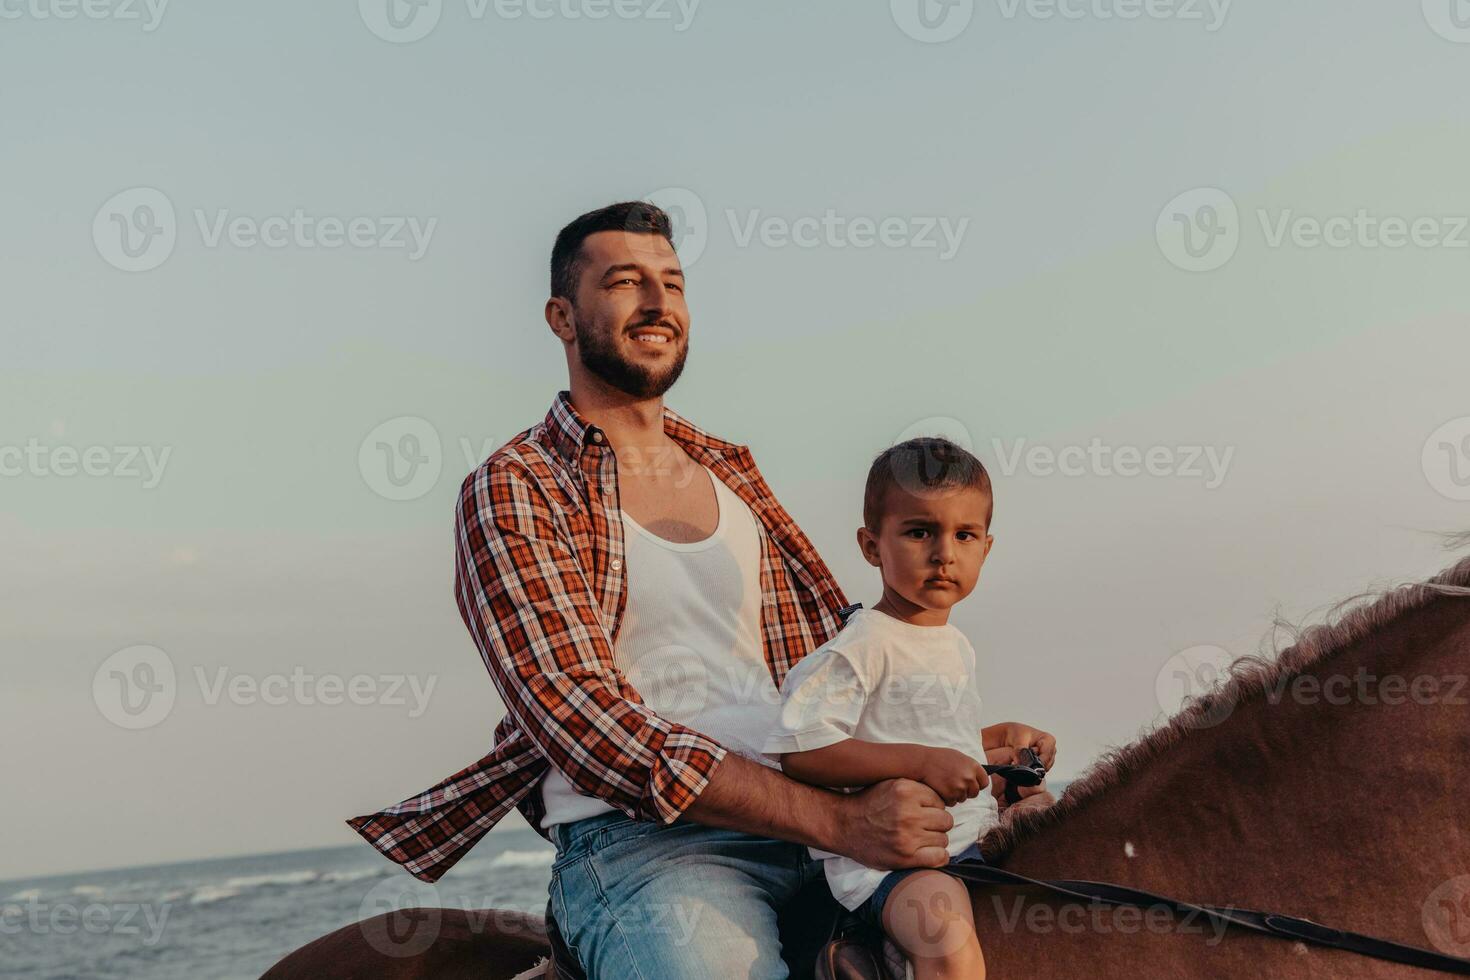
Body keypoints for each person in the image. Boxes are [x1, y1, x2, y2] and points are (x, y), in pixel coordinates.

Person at [348, 201, 1057, 978]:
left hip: (823, 824)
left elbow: (840, 670)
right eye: (625, 282)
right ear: (561, 316)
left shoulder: (732, 474)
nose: (657, 304)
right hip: (650, 846)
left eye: (672, 284)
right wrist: (838, 819)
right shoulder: (518, 488)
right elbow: (585, 722)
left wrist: (963, 750)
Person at [765, 437, 1027, 979]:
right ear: (870, 545)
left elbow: (925, 733)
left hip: (966, 835)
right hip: (893, 863)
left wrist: (1000, 744)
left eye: (963, 535)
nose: (943, 553)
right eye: (918, 532)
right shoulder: (862, 645)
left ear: (986, 547)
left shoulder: (954, 644)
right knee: (946, 938)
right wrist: (921, 762)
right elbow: (802, 748)